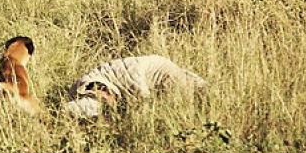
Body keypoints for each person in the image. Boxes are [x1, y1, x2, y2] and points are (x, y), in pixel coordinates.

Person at [63, 55, 207, 119]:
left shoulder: (163, 70)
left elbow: (141, 96)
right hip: (98, 83)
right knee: (91, 106)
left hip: (159, 71)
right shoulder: (98, 85)